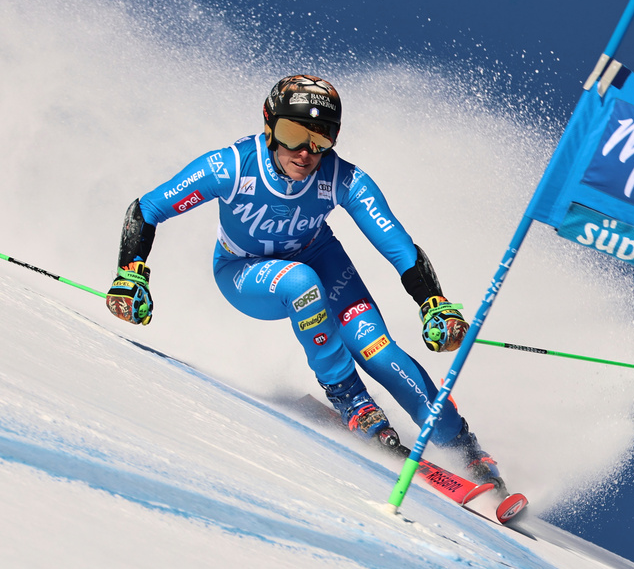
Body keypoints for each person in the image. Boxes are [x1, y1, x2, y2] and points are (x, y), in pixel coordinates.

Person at [105, 74, 504, 490]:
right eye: (293, 133)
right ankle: (351, 399)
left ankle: (463, 446)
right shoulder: (230, 166)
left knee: (381, 353)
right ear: (269, 126)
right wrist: (130, 275)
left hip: (320, 257)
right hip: (244, 271)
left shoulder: (341, 178)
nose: (305, 151)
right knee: (299, 282)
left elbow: (398, 245)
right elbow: (147, 209)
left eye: (322, 138)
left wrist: (432, 302)